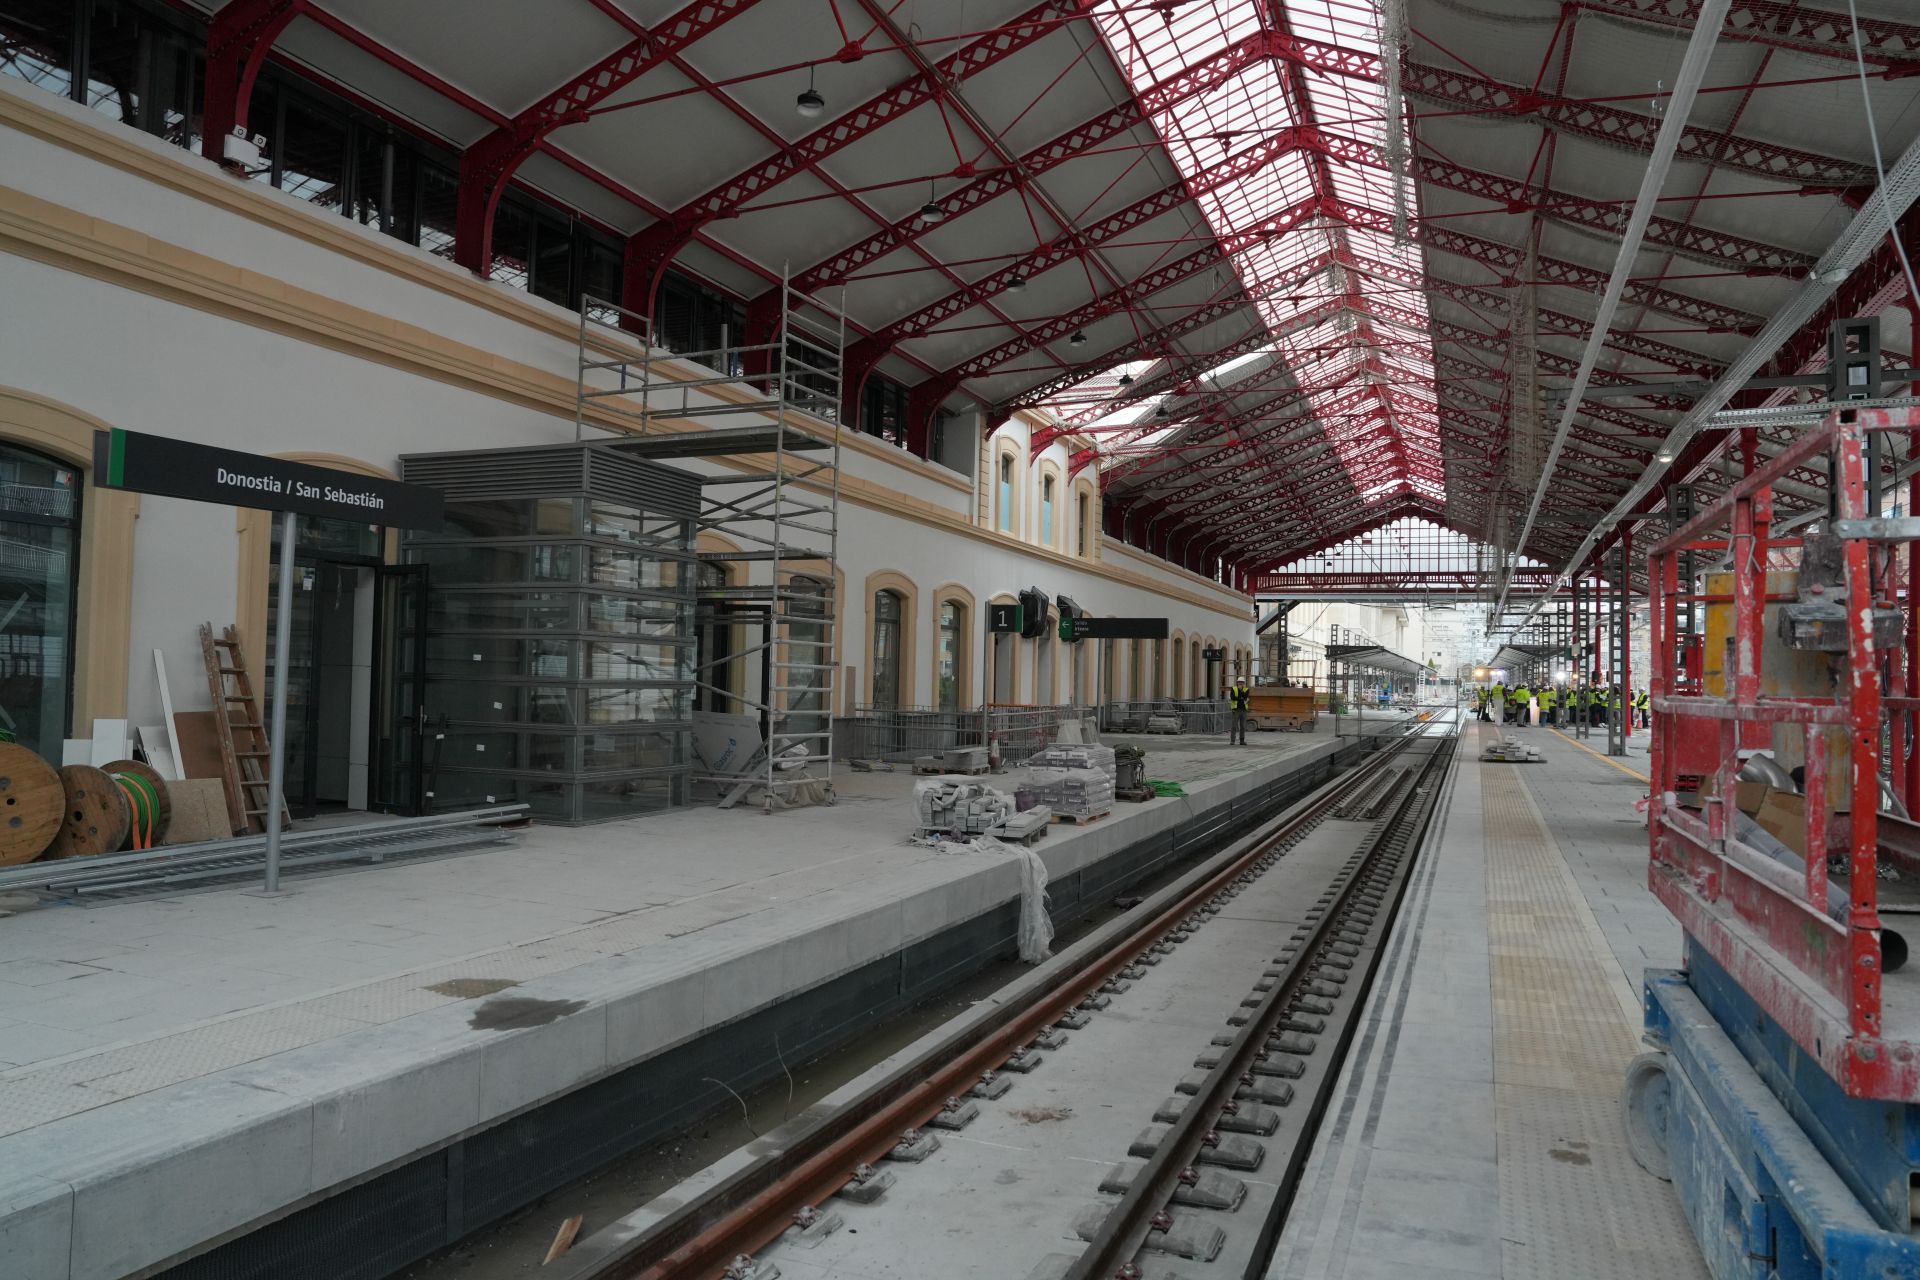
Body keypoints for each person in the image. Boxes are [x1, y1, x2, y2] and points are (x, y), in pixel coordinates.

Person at [1228, 675, 1252, 745]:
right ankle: (1232, 741)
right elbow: (1232, 697)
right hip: (1236, 710)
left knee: (1243, 726)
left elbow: (1245, 697)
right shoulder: (1233, 688)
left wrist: (1240, 693)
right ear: (1237, 682)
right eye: (1239, 682)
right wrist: (1241, 697)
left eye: (1242, 682)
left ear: (1244, 683)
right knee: (1234, 726)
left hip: (1244, 710)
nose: (1240, 684)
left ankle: (1242, 741)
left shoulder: (1246, 689)